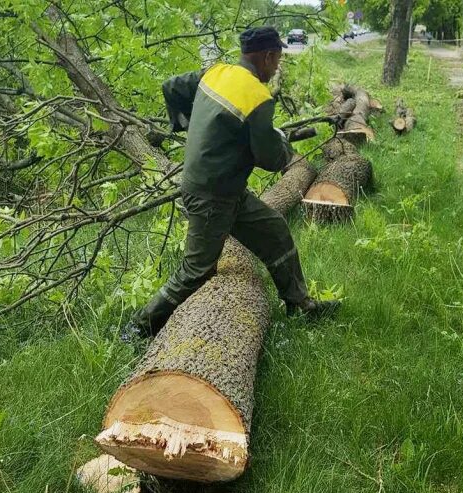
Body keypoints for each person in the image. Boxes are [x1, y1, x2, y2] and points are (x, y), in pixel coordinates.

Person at [130, 26, 340, 337]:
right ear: (267, 56)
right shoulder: (257, 96)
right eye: (278, 60)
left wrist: (189, 126)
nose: (277, 66)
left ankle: (300, 305)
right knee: (196, 271)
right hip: (211, 197)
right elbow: (270, 159)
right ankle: (138, 327)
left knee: (274, 230)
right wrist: (281, 144)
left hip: (224, 190)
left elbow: (172, 87)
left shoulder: (217, 73)